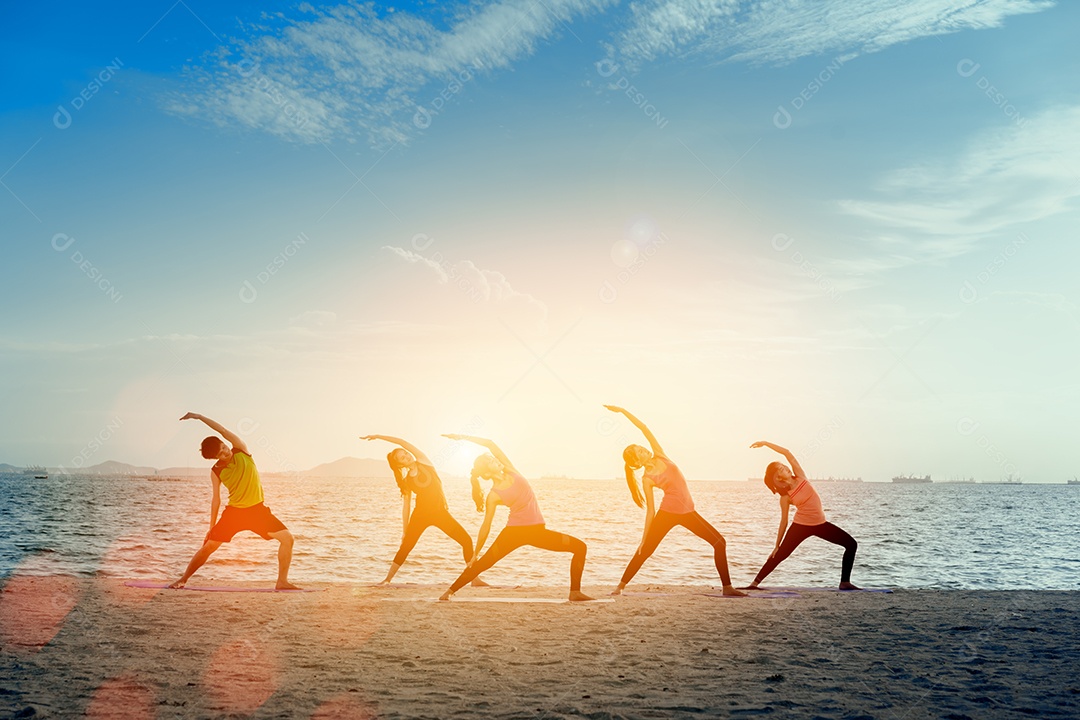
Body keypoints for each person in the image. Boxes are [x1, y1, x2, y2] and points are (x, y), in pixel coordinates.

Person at [606, 405, 745, 596]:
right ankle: (619, 587)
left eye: (640, 447)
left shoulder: (659, 453)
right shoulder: (647, 479)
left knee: (719, 542)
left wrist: (623, 411)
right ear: (637, 463)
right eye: (639, 452)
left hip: (688, 513)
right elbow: (651, 511)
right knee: (644, 550)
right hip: (667, 514)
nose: (643, 449)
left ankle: (727, 588)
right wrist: (643, 538)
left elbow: (644, 428)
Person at [437, 435, 594, 601]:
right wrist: (475, 553)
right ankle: (448, 592)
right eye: (491, 461)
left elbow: (490, 443)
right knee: (483, 564)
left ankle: (574, 592)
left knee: (580, 548)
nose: (496, 460)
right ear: (487, 471)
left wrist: (462, 437)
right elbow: (486, 526)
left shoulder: (510, 469)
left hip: (537, 532)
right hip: (513, 533)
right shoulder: (494, 495)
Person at [169, 413, 298, 590]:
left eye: (223, 447)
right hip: (234, 513)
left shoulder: (241, 450)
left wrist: (198, 417)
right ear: (216, 458)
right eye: (221, 453)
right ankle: (183, 579)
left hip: (257, 511)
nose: (225, 451)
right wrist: (211, 527)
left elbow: (221, 430)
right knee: (208, 547)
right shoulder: (216, 471)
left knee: (287, 539)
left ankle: (282, 582)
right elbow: (216, 499)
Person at [361, 434, 487, 586]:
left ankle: (474, 579)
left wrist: (378, 436)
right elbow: (406, 506)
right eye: (402, 458)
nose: (406, 456)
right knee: (406, 547)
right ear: (400, 465)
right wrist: (405, 530)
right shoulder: (406, 480)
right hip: (420, 515)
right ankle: (387, 580)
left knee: (466, 540)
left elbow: (402, 440)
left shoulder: (424, 461)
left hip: (440, 513)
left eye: (405, 453)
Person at [745, 441, 858, 590]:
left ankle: (844, 582)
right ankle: (754, 584)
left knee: (851, 544)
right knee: (779, 556)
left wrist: (766, 443)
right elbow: (784, 521)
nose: (784, 469)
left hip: (821, 525)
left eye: (783, 467)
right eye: (779, 471)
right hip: (801, 526)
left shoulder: (800, 476)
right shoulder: (785, 497)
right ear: (777, 479)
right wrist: (776, 546)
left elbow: (787, 452)